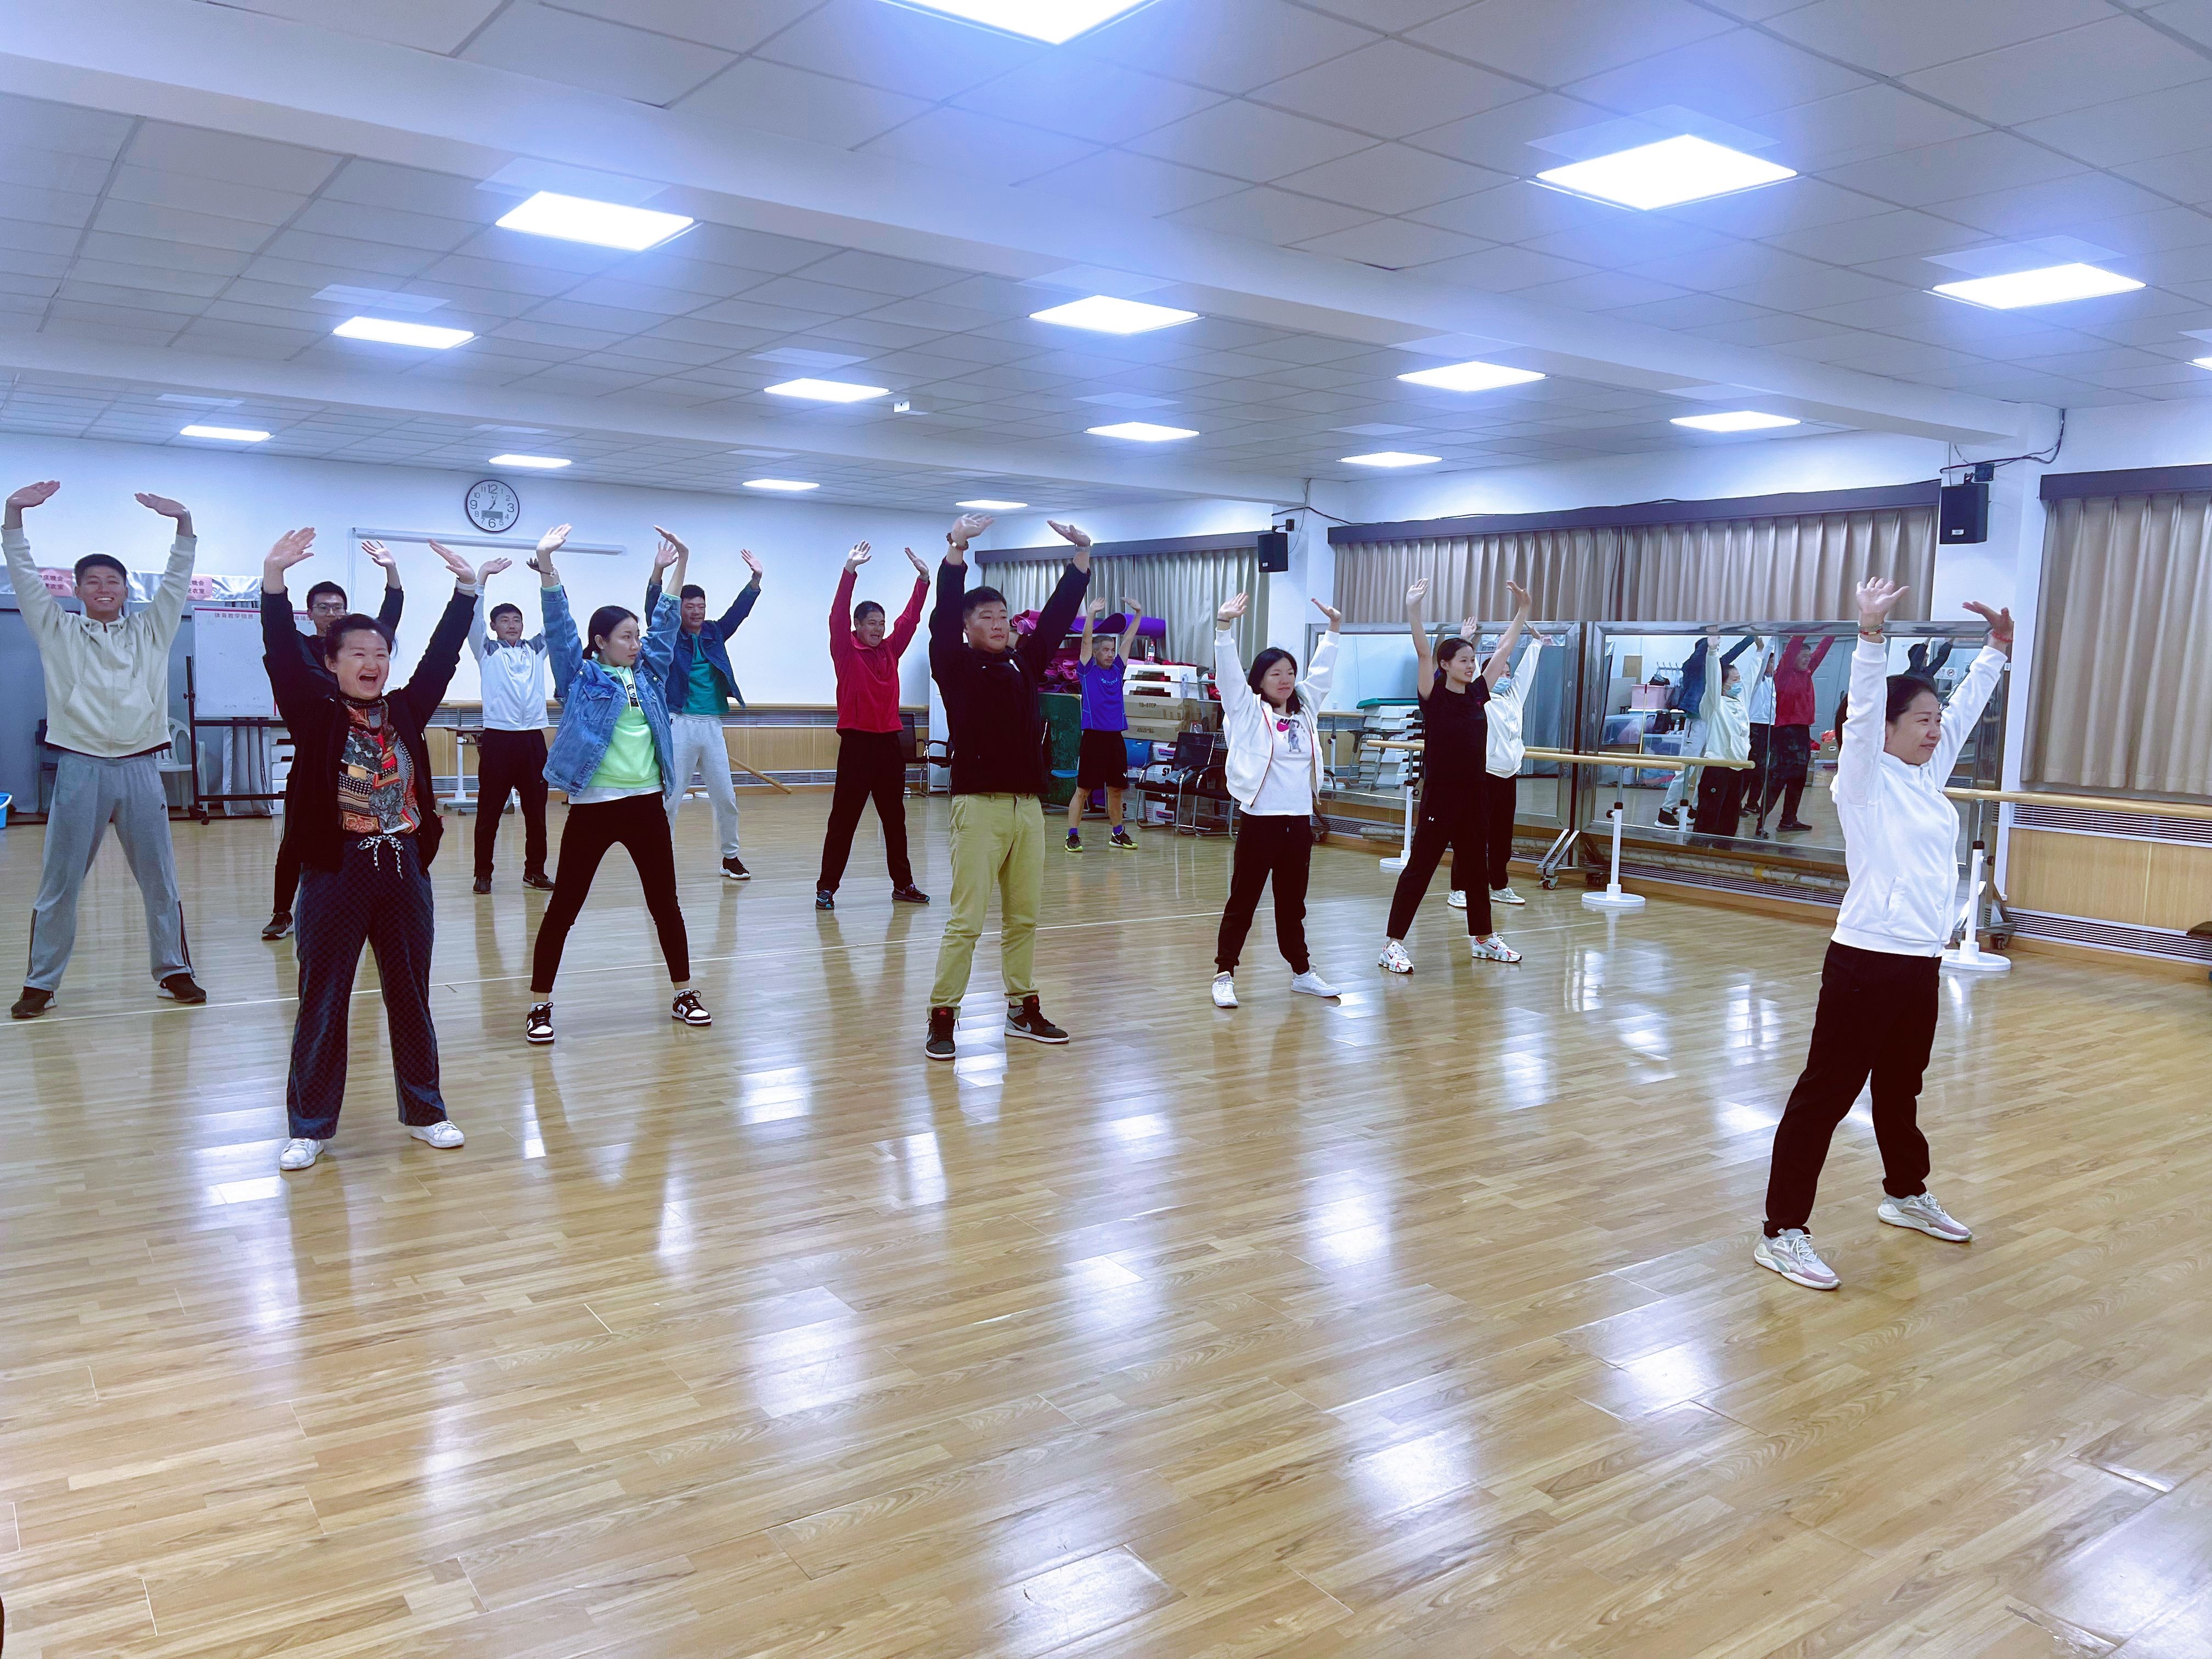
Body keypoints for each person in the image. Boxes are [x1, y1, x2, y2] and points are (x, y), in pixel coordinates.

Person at [1752, 578, 2011, 1292]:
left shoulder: (1926, 779)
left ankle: (1904, 1193)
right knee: (1826, 1095)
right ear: (1888, 730)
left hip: (1919, 961)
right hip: (1866, 960)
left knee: (1900, 1088)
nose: (1934, 730)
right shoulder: (1863, 781)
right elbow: (1863, 712)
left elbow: (1967, 709)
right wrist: (1871, 636)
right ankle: (1781, 1231)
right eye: (1921, 720)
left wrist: (1996, 651)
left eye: (1936, 720)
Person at [258, 527, 479, 1171]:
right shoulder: (315, 711)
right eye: (357, 652)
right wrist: (273, 582)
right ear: (332, 662)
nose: (371, 662)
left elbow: (440, 658)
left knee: (410, 995)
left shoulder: (405, 711)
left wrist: (467, 591)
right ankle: (309, 1125)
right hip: (337, 871)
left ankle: (426, 1111)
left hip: (403, 866)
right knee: (323, 999)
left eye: (380, 652)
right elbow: (281, 651)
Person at [7, 481, 206, 1019]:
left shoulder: (151, 631)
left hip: (141, 768)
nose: (103, 588)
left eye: (112, 580)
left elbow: (176, 581)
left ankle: (174, 970)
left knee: (161, 880)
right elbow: (24, 578)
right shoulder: (57, 630)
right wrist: (14, 515)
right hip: (80, 768)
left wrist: (183, 523)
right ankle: (40, 982)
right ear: (77, 589)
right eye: (92, 581)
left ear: (124, 589)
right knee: (60, 883)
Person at [527, 528, 708, 1043]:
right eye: (626, 637)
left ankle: (684, 993)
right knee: (565, 906)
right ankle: (539, 1005)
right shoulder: (579, 677)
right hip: (594, 808)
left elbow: (666, 623)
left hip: (646, 806)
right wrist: (546, 565)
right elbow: (560, 628)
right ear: (601, 642)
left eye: (636, 635)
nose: (635, 643)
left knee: (665, 903)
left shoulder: (649, 675)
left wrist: (682, 561)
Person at [923, 513, 1090, 1060]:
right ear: (968, 626)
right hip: (978, 808)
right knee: (967, 921)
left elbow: (1056, 619)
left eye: (1002, 616)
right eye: (986, 617)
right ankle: (943, 1014)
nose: (997, 624)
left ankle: (1022, 1008)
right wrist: (957, 550)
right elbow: (944, 613)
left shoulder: (1024, 663)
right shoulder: (953, 664)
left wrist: (1081, 559)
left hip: (1027, 810)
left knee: (1025, 917)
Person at [1378, 578, 1529, 975]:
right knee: (1420, 868)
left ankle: (1483, 937)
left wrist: (1523, 611)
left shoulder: (1479, 694)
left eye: (1472, 659)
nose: (1471, 664)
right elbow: (1422, 651)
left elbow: (1504, 649)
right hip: (1441, 798)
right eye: (1463, 660)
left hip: (1475, 797)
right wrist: (1413, 609)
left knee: (1476, 870)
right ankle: (1392, 944)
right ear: (1446, 665)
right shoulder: (1434, 697)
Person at [263, 542, 405, 939]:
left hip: (367, 758)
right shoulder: (302, 648)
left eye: (337, 607)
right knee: (297, 835)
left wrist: (392, 574)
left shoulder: (358, 651)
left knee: (371, 832)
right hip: (316, 755)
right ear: (310, 613)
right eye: (323, 608)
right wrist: (274, 577)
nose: (331, 613)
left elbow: (388, 623)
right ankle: (282, 911)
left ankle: (370, 908)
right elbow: (276, 635)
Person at [1209, 591, 1343, 1009]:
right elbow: (1228, 677)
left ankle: (1302, 972)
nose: (1285, 680)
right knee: (1243, 901)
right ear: (1260, 680)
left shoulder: (1305, 710)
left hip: (1298, 822)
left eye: (1289, 673)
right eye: (1275, 674)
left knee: (1292, 905)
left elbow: (1321, 675)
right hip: (1260, 820)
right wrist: (1224, 628)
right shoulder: (1246, 711)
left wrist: (1334, 630)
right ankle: (1224, 974)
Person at [817, 540, 930, 911]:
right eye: (872, 624)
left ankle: (904, 884)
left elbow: (909, 621)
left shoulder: (890, 651)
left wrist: (924, 581)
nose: (879, 629)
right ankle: (826, 888)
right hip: (857, 745)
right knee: (844, 821)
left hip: (888, 746)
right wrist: (849, 572)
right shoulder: (846, 650)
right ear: (858, 625)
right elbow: (837, 613)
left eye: (882, 624)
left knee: (895, 820)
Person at [646, 529, 759, 881]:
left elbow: (738, 613)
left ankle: (731, 857)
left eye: (701, 607)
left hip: (711, 725)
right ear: (679, 609)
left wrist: (755, 580)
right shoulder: (670, 635)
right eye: (689, 607)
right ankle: (659, 859)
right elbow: (654, 610)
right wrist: (659, 572)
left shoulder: (714, 633)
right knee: (670, 798)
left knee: (726, 797)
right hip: (678, 722)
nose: (696, 612)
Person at [459, 546, 554, 894]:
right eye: (505, 621)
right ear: (494, 627)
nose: (512, 625)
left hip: (533, 741)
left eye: (517, 620)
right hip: (498, 740)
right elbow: (472, 619)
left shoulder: (536, 650)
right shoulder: (487, 650)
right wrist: (482, 578)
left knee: (537, 814)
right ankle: (482, 873)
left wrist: (547, 573)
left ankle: (535, 872)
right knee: (488, 814)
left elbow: (557, 617)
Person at [1451, 627, 1548, 911]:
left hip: (1509, 775)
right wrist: (1467, 640)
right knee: (1473, 834)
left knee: (1502, 837)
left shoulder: (1513, 699)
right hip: (1483, 776)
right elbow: (1467, 672)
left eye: (1508, 672)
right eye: (1500, 672)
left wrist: (1536, 644)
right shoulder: (1478, 698)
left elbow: (1526, 675)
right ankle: (1459, 887)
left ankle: (1499, 885)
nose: (1505, 676)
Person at [1065, 597, 1143, 854]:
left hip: (1115, 738)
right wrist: (1090, 614)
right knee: (1083, 790)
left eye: (1112, 650)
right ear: (1096, 653)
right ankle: (1072, 835)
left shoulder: (1118, 670)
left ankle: (1117, 833)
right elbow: (1086, 641)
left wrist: (1138, 613)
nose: (1110, 654)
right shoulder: (1087, 671)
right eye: (1106, 650)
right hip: (1094, 738)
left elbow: (1129, 639)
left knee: (1116, 789)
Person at [1656, 632, 1754, 827]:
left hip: (1712, 723)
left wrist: (1751, 638)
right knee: (1686, 769)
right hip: (1697, 722)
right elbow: (1703, 654)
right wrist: (1711, 639)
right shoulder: (1691, 666)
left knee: (1706, 769)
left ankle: (1695, 809)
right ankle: (1666, 812)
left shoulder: (1715, 667)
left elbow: (1733, 653)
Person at [1762, 633, 1835, 834]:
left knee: (1798, 778)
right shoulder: (1783, 673)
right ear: (1792, 658)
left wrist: (1832, 631)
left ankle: (1788, 821)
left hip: (1802, 731)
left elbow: (1822, 651)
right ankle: (1761, 823)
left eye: (1808, 657)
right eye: (1802, 656)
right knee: (1778, 778)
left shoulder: (1808, 672)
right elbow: (1793, 647)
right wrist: (1804, 629)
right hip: (1785, 732)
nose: (1807, 660)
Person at [1689, 639, 1751, 834]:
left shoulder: (1740, 703)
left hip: (1738, 767)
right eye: (1735, 680)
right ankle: (1699, 849)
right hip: (1718, 768)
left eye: (1739, 679)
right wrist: (1712, 651)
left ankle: (1724, 849)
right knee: (1709, 818)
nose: (1739, 683)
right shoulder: (1715, 704)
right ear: (1723, 684)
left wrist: (1760, 650)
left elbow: (1754, 673)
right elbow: (1712, 677)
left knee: (1730, 819)